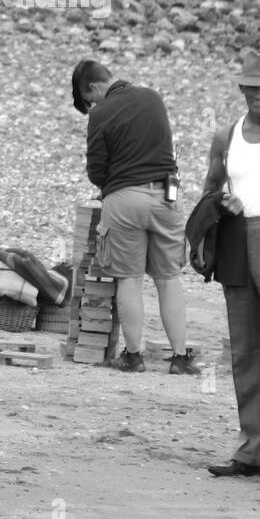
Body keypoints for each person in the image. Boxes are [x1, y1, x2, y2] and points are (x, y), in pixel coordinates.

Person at [72, 59, 201, 375]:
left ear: (93, 88)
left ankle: (133, 356)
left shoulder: (100, 114)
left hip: (124, 199)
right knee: (168, 279)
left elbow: (97, 171)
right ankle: (180, 358)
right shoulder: (152, 97)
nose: (92, 106)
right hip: (166, 197)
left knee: (128, 279)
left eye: (89, 100)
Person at [201, 54, 260, 476]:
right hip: (240, 242)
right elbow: (210, 186)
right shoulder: (227, 135)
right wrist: (219, 204)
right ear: (241, 90)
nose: (256, 96)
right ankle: (251, 449)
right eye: (251, 89)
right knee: (245, 351)